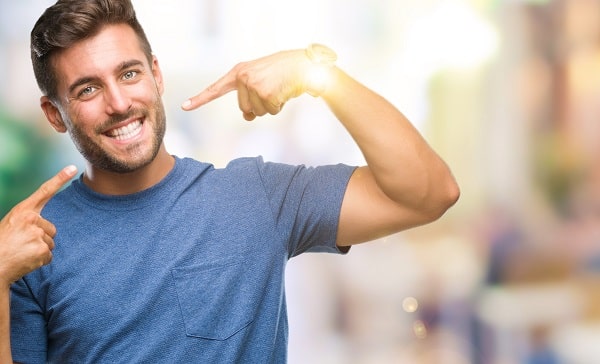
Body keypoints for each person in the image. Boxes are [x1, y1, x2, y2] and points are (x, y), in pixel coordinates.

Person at [4, 0, 459, 362]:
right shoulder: (33, 246)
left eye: (129, 73)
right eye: (88, 89)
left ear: (156, 75)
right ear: (54, 115)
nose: (120, 102)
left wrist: (322, 78)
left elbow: (428, 193)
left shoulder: (255, 197)